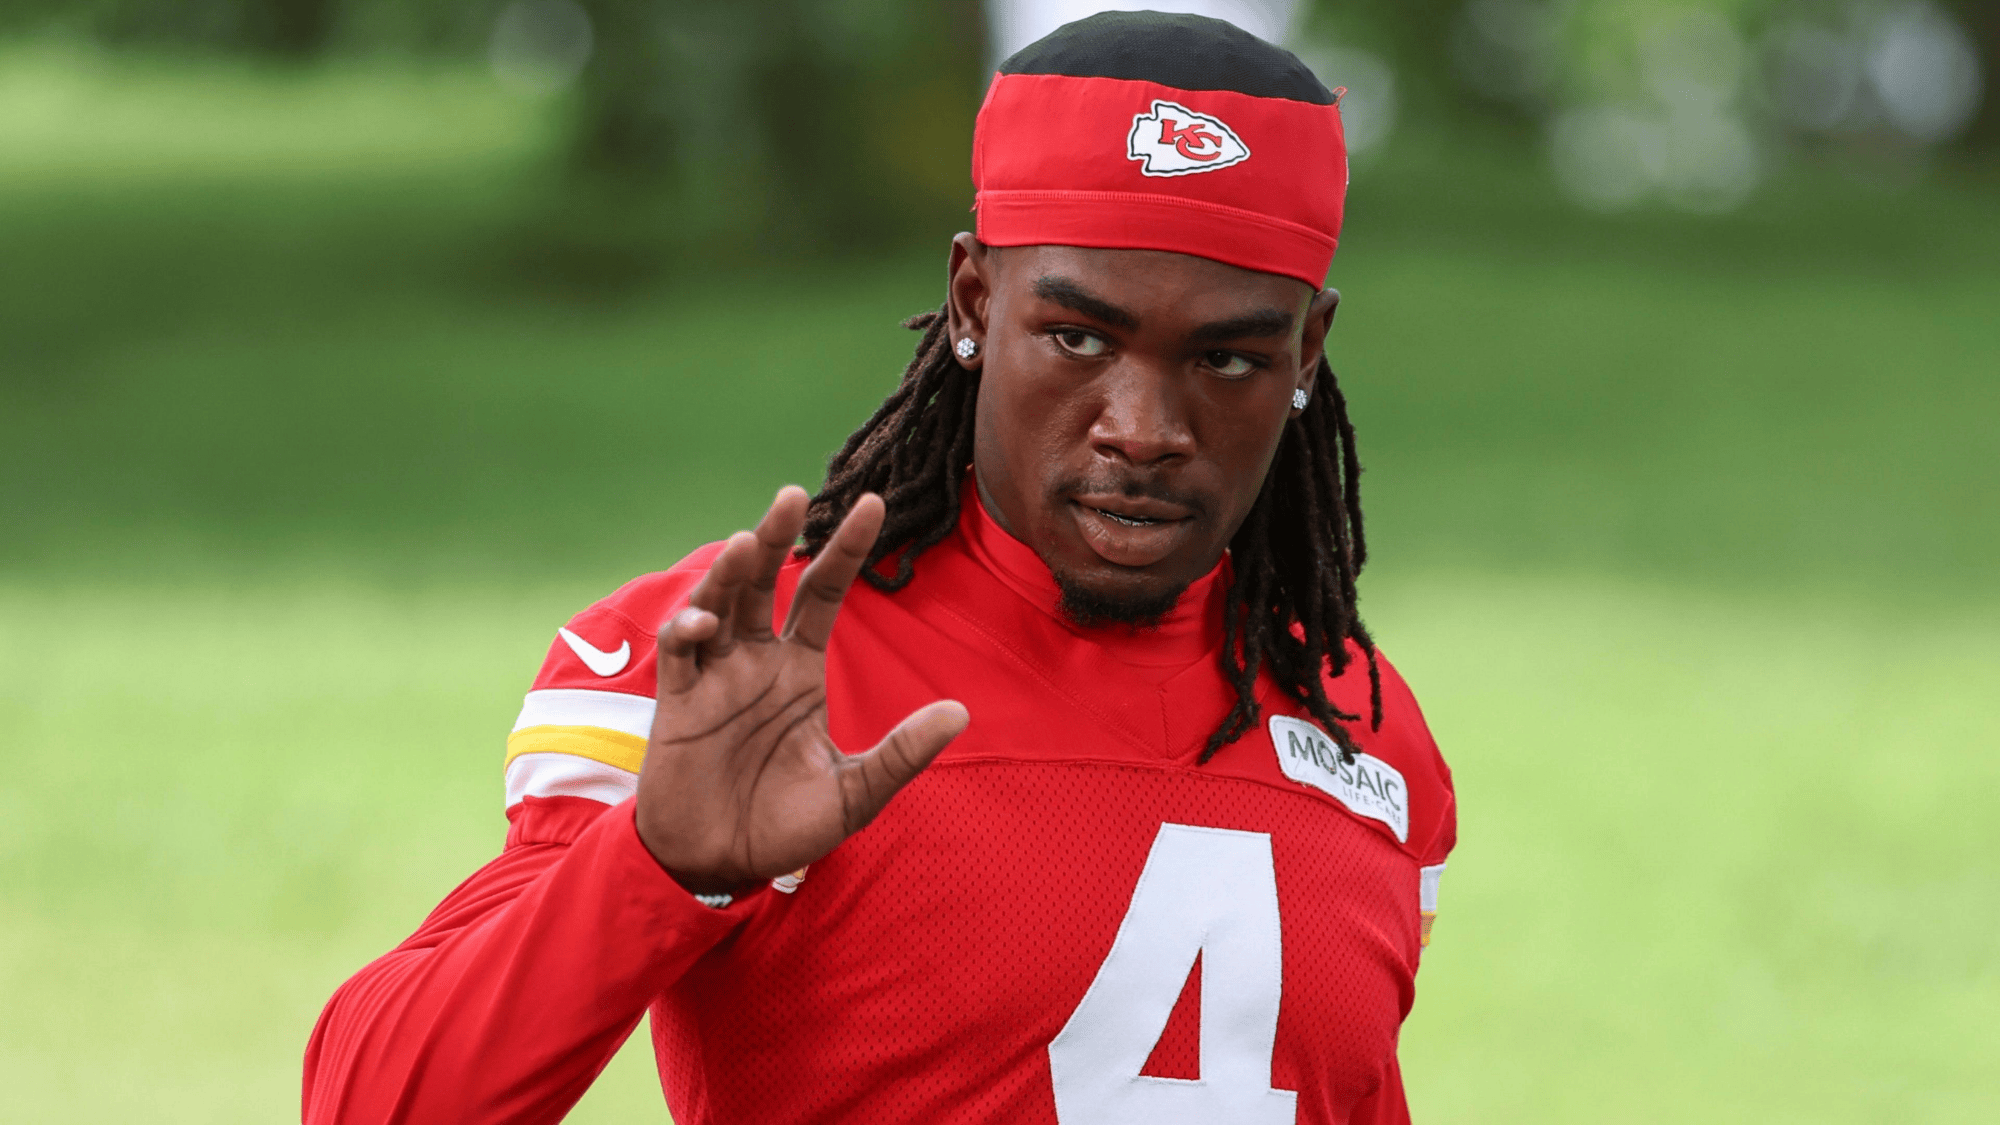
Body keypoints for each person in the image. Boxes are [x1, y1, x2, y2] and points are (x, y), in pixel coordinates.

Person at [302, 12, 1456, 1124]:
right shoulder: (739, 663)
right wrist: (654, 865)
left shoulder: (1362, 728)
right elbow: (369, 1105)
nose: (1142, 429)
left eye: (1227, 359)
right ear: (972, 302)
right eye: (1077, 338)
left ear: (1306, 352)